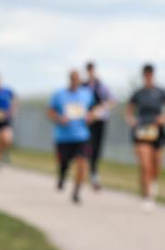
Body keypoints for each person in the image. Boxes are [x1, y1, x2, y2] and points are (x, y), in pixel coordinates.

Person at [48, 69, 105, 204]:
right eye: (72, 78)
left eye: (77, 79)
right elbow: (50, 111)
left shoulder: (87, 94)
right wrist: (59, 118)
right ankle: (62, 176)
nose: (75, 81)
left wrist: (92, 116)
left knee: (82, 165)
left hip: (82, 136)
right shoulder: (59, 94)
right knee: (64, 163)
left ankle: (76, 193)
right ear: (69, 79)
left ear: (79, 80)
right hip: (64, 137)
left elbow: (98, 108)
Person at [125, 63, 165, 212]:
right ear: (143, 75)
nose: (148, 77)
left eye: (150, 74)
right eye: (146, 74)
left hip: (157, 130)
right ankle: (148, 197)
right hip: (142, 130)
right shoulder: (138, 93)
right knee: (145, 164)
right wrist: (131, 120)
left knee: (156, 164)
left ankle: (152, 183)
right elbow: (129, 110)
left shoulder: (160, 92)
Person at [84, 61, 115, 190]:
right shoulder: (83, 86)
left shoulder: (101, 86)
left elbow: (111, 101)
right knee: (87, 146)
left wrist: (98, 111)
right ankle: (89, 172)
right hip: (86, 121)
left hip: (100, 120)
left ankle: (93, 172)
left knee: (97, 147)